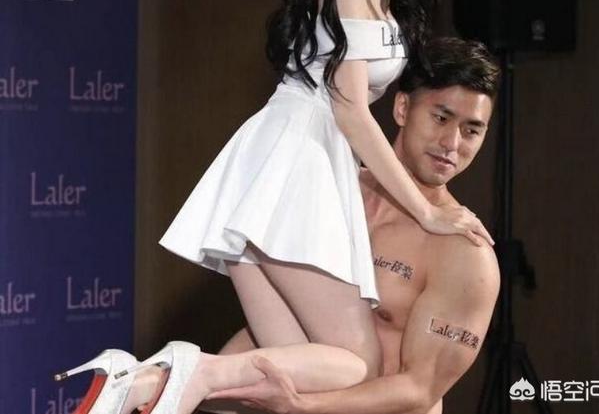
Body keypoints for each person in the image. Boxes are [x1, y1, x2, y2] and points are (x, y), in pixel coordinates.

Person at [55, 0, 493, 413]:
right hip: (299, 160)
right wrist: (428, 213)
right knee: (355, 361)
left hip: (290, 160)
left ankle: (142, 384)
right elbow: (351, 110)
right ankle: (178, 373)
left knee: (302, 374)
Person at [199, 37, 501, 414]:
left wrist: (303, 407)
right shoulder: (331, 194)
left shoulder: (466, 253)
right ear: (403, 108)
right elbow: (286, 320)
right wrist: (209, 385)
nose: (452, 143)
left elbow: (419, 388)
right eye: (441, 118)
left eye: (471, 130)